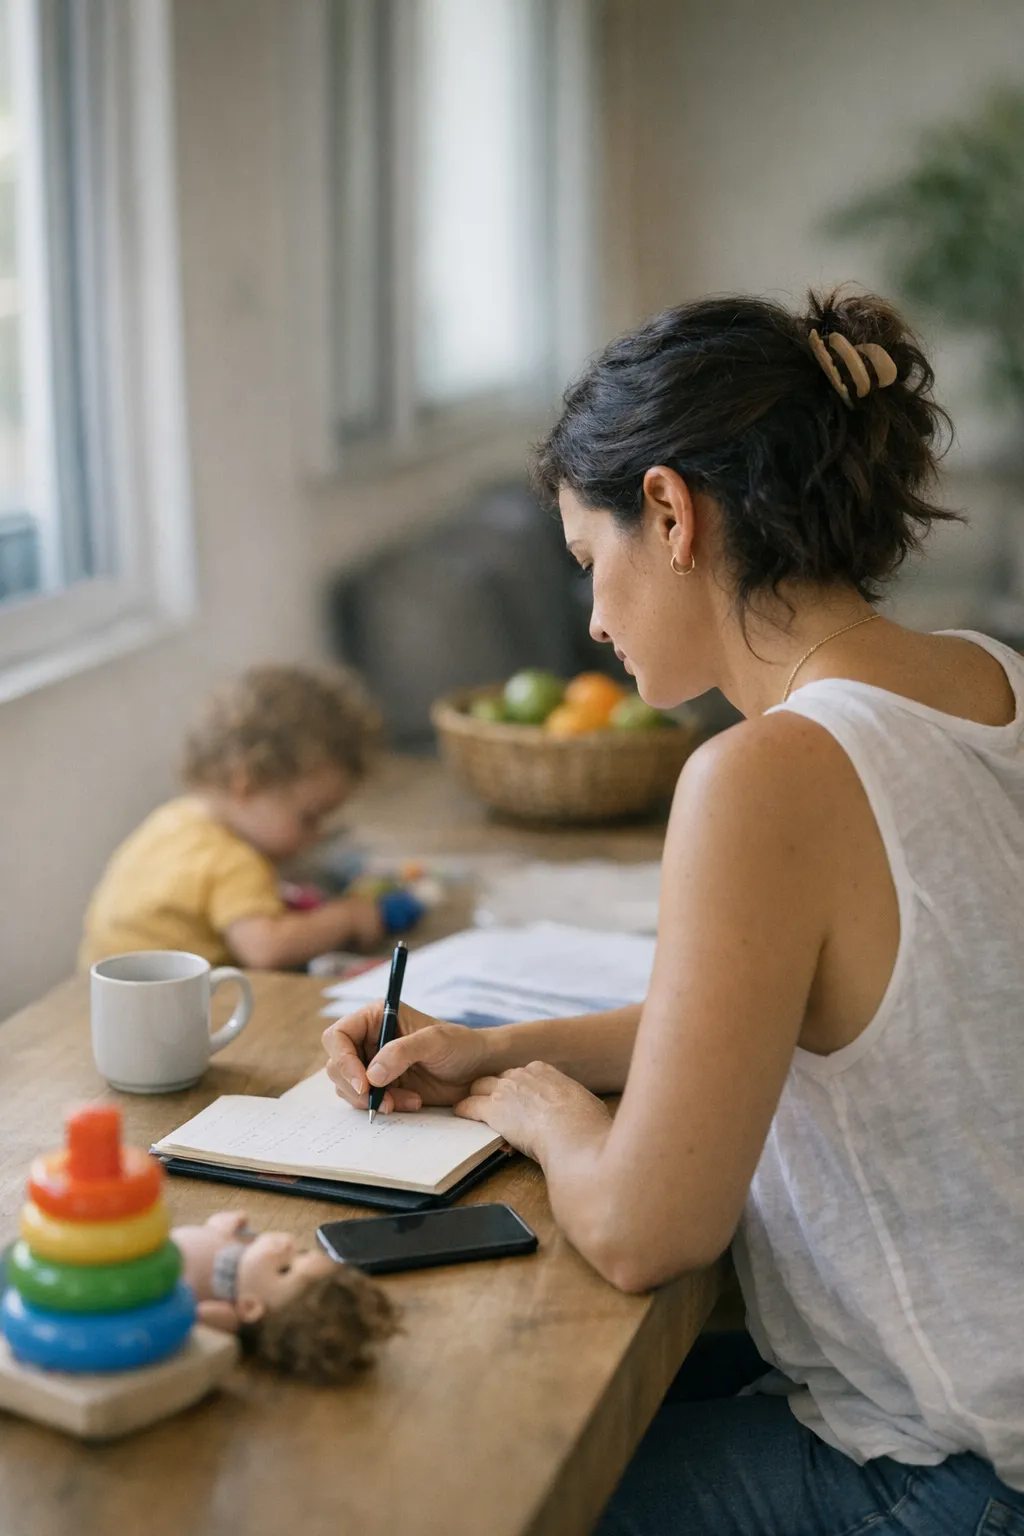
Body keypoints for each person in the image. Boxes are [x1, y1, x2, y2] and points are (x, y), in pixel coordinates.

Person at [321, 290, 1024, 1534]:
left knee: (454, 1490)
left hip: (947, 1476)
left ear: (669, 511)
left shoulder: (764, 778)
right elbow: (792, 1009)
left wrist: (540, 1112)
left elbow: (648, 1232)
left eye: (591, 563)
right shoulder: (993, 679)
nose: (591, 619)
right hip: (980, 1409)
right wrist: (493, 1048)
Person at [79, 665, 387, 971]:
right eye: (310, 817)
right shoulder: (234, 861)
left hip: (95, 992)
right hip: (164, 1003)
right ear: (248, 786)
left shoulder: (173, 819)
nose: (317, 835)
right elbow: (267, 948)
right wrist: (347, 917)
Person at [171, 1211, 397, 1385]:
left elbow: (187, 1316)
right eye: (301, 1253)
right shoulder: (244, 1251)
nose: (288, 1247)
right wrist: (220, 1225)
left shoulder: (229, 1312)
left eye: (284, 1269)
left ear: (250, 1307)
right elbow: (211, 1231)